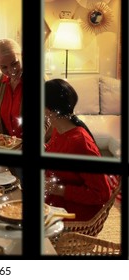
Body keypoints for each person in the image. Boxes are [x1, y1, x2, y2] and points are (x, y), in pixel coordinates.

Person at [44, 79, 113, 221]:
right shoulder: (59, 129)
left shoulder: (80, 143)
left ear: (49, 110)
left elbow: (102, 194)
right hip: (55, 202)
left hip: (74, 214)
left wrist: (58, 189)